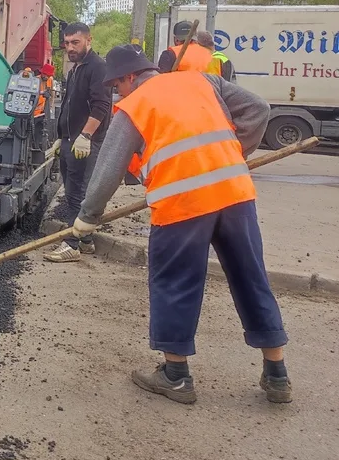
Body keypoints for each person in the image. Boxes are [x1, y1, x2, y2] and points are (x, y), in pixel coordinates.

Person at [71, 45, 291, 405]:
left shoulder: (136, 104)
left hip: (182, 205)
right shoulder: (203, 81)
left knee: (176, 283)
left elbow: (109, 167)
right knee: (251, 277)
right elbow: (259, 109)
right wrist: (235, 152)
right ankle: (277, 373)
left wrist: (88, 216)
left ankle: (175, 377)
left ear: (130, 77)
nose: (117, 93)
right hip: (235, 193)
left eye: (117, 85)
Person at [45, 23, 112, 263]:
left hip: (84, 143)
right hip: (70, 140)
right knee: (73, 190)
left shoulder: (98, 67)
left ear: (88, 40)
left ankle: (72, 245)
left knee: (77, 194)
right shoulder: (75, 69)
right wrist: (61, 136)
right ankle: (85, 241)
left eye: (75, 42)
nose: (70, 48)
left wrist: (85, 136)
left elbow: (101, 106)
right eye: (67, 43)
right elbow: (69, 105)